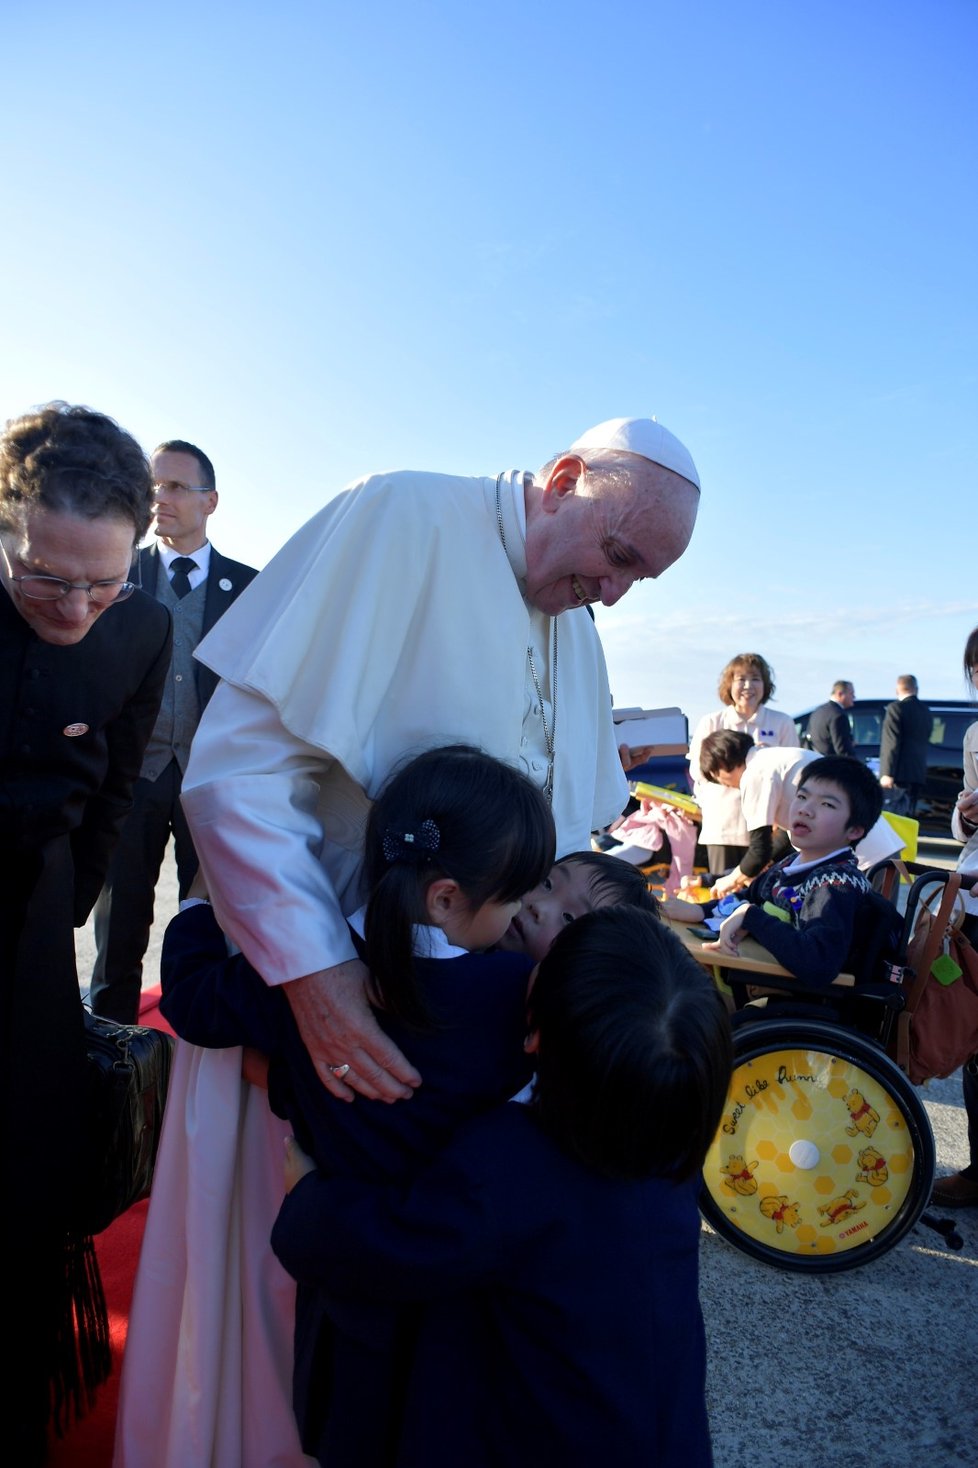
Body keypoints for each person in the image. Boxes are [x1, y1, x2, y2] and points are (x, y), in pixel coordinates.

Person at [116, 414, 701, 1468]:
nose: (615, 594)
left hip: (461, 1063)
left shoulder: (574, 614)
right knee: (281, 1313)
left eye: (640, 579)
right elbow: (235, 777)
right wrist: (318, 978)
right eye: (618, 555)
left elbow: (566, 835)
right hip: (325, 1017)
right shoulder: (402, 514)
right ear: (564, 479)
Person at [273, 908, 731, 1468]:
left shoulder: (514, 1162)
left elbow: (398, 1243)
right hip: (659, 1432)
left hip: (549, 1438)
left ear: (534, 1034)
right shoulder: (671, 1153)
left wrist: (310, 1195)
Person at [0, 403, 171, 1464]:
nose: (74, 607)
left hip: (28, 935)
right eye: (44, 578)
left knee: (26, 1184)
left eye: (99, 584)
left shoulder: (144, 629)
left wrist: (64, 905)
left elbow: (115, 787)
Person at [90, 440, 258, 1022]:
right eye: (153, 486)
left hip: (209, 783)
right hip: (130, 779)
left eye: (176, 487)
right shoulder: (115, 574)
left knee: (210, 929)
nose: (160, 498)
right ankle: (109, 1058)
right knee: (118, 937)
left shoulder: (253, 588)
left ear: (210, 501)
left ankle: (195, 1066)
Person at [672, 756, 898, 987]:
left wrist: (751, 917)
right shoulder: (790, 863)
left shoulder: (836, 884)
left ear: (854, 830)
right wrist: (700, 911)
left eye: (827, 804)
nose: (805, 809)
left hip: (805, 1007)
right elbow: (747, 897)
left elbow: (819, 963)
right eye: (802, 796)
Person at [694, 730, 902, 899]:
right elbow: (783, 840)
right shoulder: (778, 758)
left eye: (719, 780)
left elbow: (760, 851)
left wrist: (729, 881)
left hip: (860, 861)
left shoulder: (755, 773)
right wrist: (718, 877)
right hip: (881, 850)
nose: (727, 786)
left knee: (864, 940)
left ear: (719, 768)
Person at [932, 629, 978, 1208]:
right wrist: (965, 817)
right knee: (973, 1035)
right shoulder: (973, 734)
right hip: (972, 897)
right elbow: (959, 826)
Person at [687, 653, 798, 876]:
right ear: (729, 684)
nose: (748, 686)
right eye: (741, 679)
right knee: (725, 893)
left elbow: (790, 775)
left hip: (771, 828)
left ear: (766, 685)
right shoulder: (712, 722)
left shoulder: (782, 722)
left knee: (767, 890)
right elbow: (698, 770)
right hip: (724, 825)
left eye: (755, 678)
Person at [879, 674, 932, 816]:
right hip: (917, 772)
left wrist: (887, 773)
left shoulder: (895, 708)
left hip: (899, 774)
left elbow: (891, 742)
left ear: (897, 689)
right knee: (910, 815)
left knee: (895, 816)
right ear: (916, 689)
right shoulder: (925, 711)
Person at [807, 680, 856, 757]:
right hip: (831, 763)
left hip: (815, 761)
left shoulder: (817, 711)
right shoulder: (838, 715)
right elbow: (842, 749)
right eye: (851, 693)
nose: (854, 697)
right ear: (840, 694)